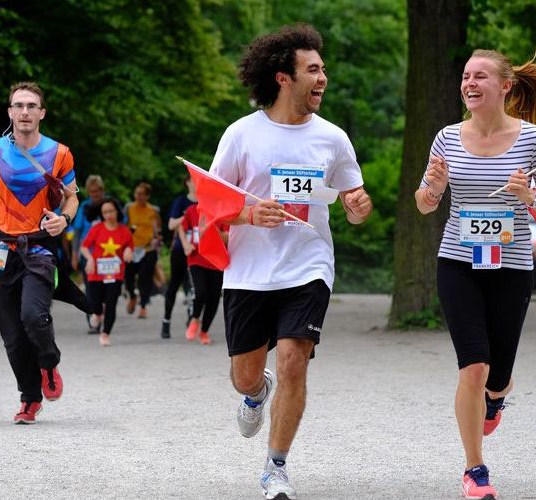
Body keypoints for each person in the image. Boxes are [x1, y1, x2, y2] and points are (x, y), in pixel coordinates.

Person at [209, 24, 373, 500]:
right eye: (313, 70)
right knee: (245, 375)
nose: (323, 78)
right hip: (249, 271)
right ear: (283, 77)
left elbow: (353, 201)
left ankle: (275, 467)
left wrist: (358, 208)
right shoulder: (241, 134)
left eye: (323, 70)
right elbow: (210, 203)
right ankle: (255, 392)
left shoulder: (333, 138)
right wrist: (247, 214)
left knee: (293, 361)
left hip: (308, 265)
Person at [416, 49, 536, 499]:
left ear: (505, 86)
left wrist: (530, 197)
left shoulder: (532, 139)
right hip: (459, 262)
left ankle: (498, 396)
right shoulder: (447, 138)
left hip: (511, 267)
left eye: (480, 76)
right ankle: (475, 470)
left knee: (497, 374)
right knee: (473, 366)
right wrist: (433, 188)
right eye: (465, 76)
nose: (470, 83)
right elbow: (424, 203)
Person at [0, 81, 80, 424]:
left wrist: (64, 219)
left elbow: (72, 197)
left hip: (39, 246)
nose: (25, 112)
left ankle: (49, 362)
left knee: (33, 316)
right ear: (10, 112)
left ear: (42, 113)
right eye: (19, 105)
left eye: (31, 106)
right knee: (12, 336)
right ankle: (30, 398)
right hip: (1, 247)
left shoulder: (60, 153)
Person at [80, 197, 133, 347]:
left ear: (117, 211)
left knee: (111, 303)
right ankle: (97, 313)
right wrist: (90, 258)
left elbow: (130, 245)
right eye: (105, 212)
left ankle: (105, 333)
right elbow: (84, 247)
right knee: (94, 303)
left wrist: (128, 251)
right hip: (96, 273)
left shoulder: (124, 230)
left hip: (115, 273)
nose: (108, 215)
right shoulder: (97, 228)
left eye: (111, 211)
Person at [177, 202, 226, 345]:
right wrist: (186, 245)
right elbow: (181, 227)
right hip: (196, 259)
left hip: (216, 261)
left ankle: (204, 331)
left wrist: (212, 230)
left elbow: (228, 237)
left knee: (214, 298)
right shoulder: (192, 210)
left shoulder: (222, 212)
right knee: (200, 292)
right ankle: (195, 318)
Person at [161, 174, 197, 338]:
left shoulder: (205, 200)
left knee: (194, 286)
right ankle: (166, 320)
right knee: (174, 284)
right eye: (192, 180)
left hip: (198, 250)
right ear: (187, 183)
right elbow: (171, 224)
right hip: (180, 249)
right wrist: (188, 215)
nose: (196, 183)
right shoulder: (181, 201)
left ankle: (192, 318)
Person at [71, 175, 107, 334]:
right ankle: (93, 321)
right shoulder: (84, 207)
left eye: (98, 191)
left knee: (106, 289)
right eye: (92, 191)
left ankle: (104, 317)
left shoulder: (109, 205)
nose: (95, 194)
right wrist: (74, 255)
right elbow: (77, 234)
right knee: (91, 289)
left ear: (102, 190)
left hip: (107, 254)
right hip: (88, 254)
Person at [122, 182, 162, 319]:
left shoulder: (153, 211)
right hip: (131, 249)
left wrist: (156, 240)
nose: (138, 196)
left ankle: (143, 305)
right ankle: (132, 296)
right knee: (128, 277)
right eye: (136, 193)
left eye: (141, 194)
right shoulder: (129, 208)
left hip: (148, 249)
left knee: (145, 279)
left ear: (147, 196)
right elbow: (123, 227)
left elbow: (158, 229)